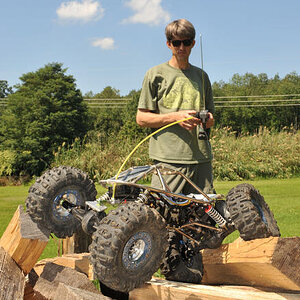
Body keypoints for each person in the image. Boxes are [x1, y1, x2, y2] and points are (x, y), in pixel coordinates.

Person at [136, 19, 215, 195]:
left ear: (193, 43)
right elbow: (141, 119)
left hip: (201, 159)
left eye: (186, 42)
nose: (181, 47)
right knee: (161, 213)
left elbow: (211, 116)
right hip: (168, 159)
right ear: (168, 44)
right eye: (176, 42)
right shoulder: (155, 74)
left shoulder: (202, 76)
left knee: (204, 216)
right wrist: (176, 117)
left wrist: (208, 121)